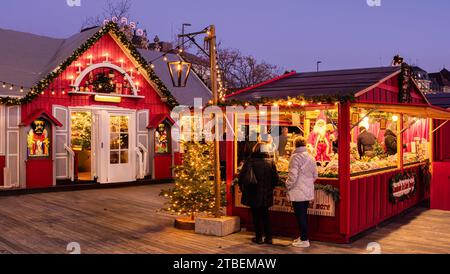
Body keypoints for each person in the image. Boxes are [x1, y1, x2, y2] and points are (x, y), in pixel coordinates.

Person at [238, 133, 279, 245]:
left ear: (255, 149)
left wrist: (243, 189)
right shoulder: (271, 162)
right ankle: (269, 237)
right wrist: (269, 188)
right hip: (266, 193)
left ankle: (259, 237)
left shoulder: (250, 161)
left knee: (256, 216)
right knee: (265, 215)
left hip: (253, 192)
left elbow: (242, 177)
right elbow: (276, 179)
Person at [285, 136, 318, 248]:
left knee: (300, 216)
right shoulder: (311, 157)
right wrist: (308, 183)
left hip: (297, 191)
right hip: (307, 191)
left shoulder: (295, 157)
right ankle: (303, 236)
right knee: (303, 215)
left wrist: (287, 185)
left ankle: (304, 240)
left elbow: (292, 176)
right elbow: (315, 175)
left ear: (295, 145)